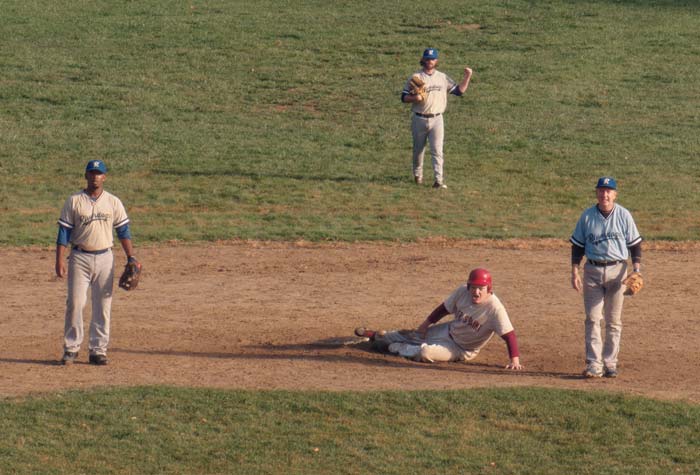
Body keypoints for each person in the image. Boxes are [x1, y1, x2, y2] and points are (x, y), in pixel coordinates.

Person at [55, 160, 138, 366]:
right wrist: (59, 259)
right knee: (75, 303)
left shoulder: (113, 202)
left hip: (105, 258)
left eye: (98, 173)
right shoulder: (74, 201)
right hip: (79, 258)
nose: (95, 177)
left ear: (104, 177)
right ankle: (71, 348)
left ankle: (98, 350)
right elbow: (63, 231)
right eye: (91, 173)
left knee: (103, 306)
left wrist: (131, 257)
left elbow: (123, 231)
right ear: (86, 176)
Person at [355, 268, 523, 369]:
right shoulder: (462, 291)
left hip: (461, 349)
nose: (476, 292)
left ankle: (395, 348)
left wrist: (514, 360)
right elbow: (443, 309)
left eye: (481, 288)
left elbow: (509, 335)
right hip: (446, 331)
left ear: (489, 289)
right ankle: (377, 336)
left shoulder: (495, 309)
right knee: (411, 335)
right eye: (473, 287)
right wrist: (425, 325)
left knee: (426, 352)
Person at [570, 177, 642, 379]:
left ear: (615, 194)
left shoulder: (624, 215)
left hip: (617, 272)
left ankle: (610, 363)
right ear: (597, 193)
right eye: (601, 191)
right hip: (592, 272)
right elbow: (577, 246)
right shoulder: (587, 216)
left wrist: (637, 269)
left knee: (613, 321)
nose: (605, 195)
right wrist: (574, 270)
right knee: (593, 319)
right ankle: (594, 364)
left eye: (609, 191)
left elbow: (635, 245)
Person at [401, 47, 473, 189]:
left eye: (432, 59)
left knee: (437, 150)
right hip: (419, 118)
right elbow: (403, 97)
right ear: (423, 59)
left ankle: (438, 181)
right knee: (418, 150)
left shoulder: (442, 77)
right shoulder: (416, 77)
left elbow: (459, 91)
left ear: (436, 60)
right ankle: (418, 176)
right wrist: (415, 97)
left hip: (437, 119)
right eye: (427, 59)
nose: (430, 61)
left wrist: (467, 76)